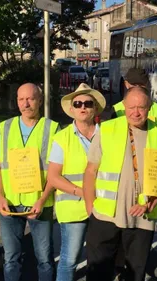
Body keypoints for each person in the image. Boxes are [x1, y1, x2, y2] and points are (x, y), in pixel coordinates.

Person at [83, 86, 157, 281]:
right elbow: (91, 171)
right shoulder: (108, 129)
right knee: (98, 272)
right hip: (105, 215)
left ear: (150, 107)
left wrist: (155, 199)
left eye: (142, 107)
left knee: (135, 273)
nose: (136, 112)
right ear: (124, 106)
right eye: (131, 107)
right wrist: (89, 206)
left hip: (142, 217)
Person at [37, 83, 106, 281]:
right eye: (77, 103)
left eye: (87, 103)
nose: (83, 107)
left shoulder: (107, 134)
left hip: (103, 207)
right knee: (69, 260)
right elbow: (53, 177)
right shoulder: (61, 138)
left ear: (95, 108)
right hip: (73, 208)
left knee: (100, 259)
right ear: (72, 109)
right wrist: (81, 192)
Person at [0, 83, 59, 281]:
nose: (25, 103)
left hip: (39, 204)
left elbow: (56, 170)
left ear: (40, 100)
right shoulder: (5, 127)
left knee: (44, 259)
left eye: (30, 99)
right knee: (11, 259)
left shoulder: (52, 128)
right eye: (21, 99)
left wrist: (43, 199)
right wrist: (0, 197)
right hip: (10, 204)